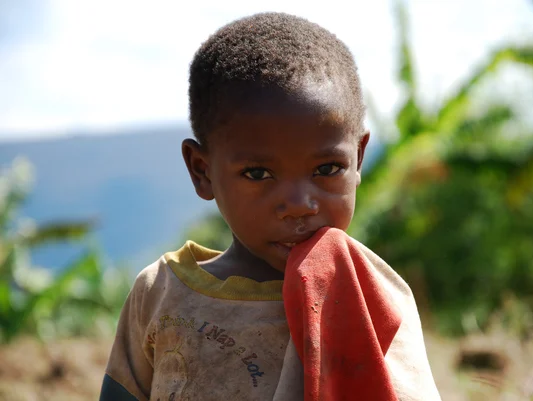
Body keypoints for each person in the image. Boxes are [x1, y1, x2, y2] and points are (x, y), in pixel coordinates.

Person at [100, 12, 440, 401]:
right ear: (202, 171)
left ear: (358, 160)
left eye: (327, 169)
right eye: (259, 173)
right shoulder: (162, 293)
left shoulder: (374, 296)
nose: (298, 205)